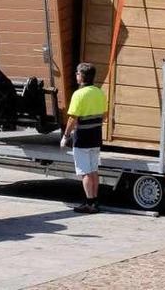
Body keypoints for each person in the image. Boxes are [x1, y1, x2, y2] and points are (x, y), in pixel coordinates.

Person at [61, 62, 106, 214]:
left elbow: (72, 118)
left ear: (82, 76)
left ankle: (89, 203)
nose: (76, 75)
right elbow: (104, 115)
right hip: (96, 136)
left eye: (77, 73)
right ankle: (95, 201)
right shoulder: (99, 92)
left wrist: (65, 136)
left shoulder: (78, 94)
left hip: (82, 138)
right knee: (93, 170)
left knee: (85, 172)